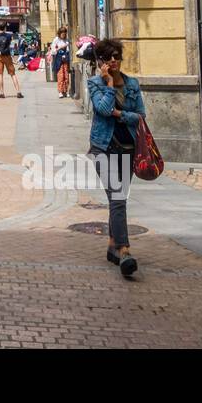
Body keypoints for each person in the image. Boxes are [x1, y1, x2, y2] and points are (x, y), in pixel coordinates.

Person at [86, 39, 143, 278]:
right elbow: (101, 109)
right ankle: (125, 250)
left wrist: (120, 113)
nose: (113, 61)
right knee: (118, 198)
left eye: (116, 57)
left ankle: (112, 245)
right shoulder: (95, 83)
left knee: (118, 200)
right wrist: (109, 84)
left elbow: (140, 116)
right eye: (108, 58)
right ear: (100, 62)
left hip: (128, 148)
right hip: (103, 147)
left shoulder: (132, 84)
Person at [0, 24, 23, 99]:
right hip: (7, 56)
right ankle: (18, 92)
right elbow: (12, 44)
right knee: (13, 74)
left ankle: (2, 93)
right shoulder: (9, 36)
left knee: (0, 74)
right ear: (5, 28)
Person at [50, 27, 72, 98]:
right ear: (59, 33)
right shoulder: (56, 40)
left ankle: (66, 91)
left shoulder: (67, 40)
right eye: (62, 33)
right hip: (58, 60)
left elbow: (68, 50)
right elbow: (53, 51)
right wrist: (60, 48)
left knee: (66, 76)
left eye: (65, 33)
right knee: (60, 76)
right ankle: (60, 91)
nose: (63, 35)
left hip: (65, 60)